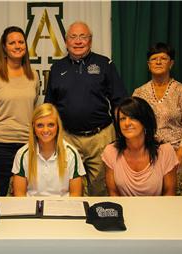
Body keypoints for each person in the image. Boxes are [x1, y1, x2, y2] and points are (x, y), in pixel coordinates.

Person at [45, 21, 128, 196]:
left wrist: (121, 135)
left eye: (83, 37)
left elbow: (119, 102)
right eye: (73, 37)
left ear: (90, 40)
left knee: (101, 188)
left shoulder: (105, 64)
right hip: (68, 138)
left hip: (101, 138)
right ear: (66, 42)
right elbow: (49, 107)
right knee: (69, 188)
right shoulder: (57, 68)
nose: (78, 41)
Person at [0, 26, 40, 196]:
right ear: (4, 47)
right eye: (12, 42)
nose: (17, 46)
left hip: (26, 144)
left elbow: (34, 108)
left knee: (25, 193)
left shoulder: (33, 75)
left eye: (21, 42)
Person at [133, 42, 182, 195]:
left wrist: (179, 156)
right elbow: (134, 125)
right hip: (147, 154)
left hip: (176, 154)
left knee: (175, 196)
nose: (159, 62)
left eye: (163, 58)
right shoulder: (139, 93)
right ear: (148, 64)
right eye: (154, 59)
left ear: (171, 63)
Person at [101, 96, 179, 196]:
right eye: (122, 119)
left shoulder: (165, 151)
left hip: (158, 210)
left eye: (133, 117)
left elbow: (169, 194)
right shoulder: (111, 151)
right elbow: (113, 193)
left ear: (145, 121)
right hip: (125, 210)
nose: (127, 123)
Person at [12, 103, 85, 197]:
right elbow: (19, 195)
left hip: (63, 208)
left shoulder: (71, 153)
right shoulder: (22, 154)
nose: (45, 130)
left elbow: (75, 195)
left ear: (58, 126)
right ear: (33, 127)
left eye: (51, 125)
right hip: (31, 208)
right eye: (40, 125)